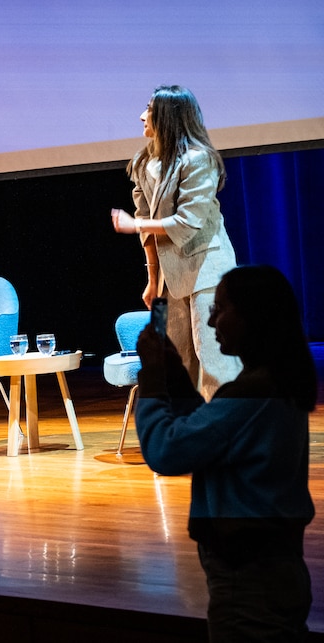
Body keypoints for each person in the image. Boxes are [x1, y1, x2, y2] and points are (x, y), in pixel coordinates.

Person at [134, 264, 316, 641]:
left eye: (220, 309)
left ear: (252, 316)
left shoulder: (252, 394)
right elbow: (208, 436)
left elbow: (166, 450)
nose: (212, 319)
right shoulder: (274, 384)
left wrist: (152, 378)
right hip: (272, 570)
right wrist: (178, 378)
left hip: (249, 581)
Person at [111, 85, 241, 400]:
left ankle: (229, 433)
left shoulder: (198, 159)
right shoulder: (144, 161)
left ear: (169, 117)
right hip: (171, 276)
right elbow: (148, 228)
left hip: (207, 268)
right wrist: (153, 280)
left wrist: (134, 223)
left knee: (212, 356)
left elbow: (186, 224)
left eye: (150, 110)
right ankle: (191, 434)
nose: (142, 116)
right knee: (178, 361)